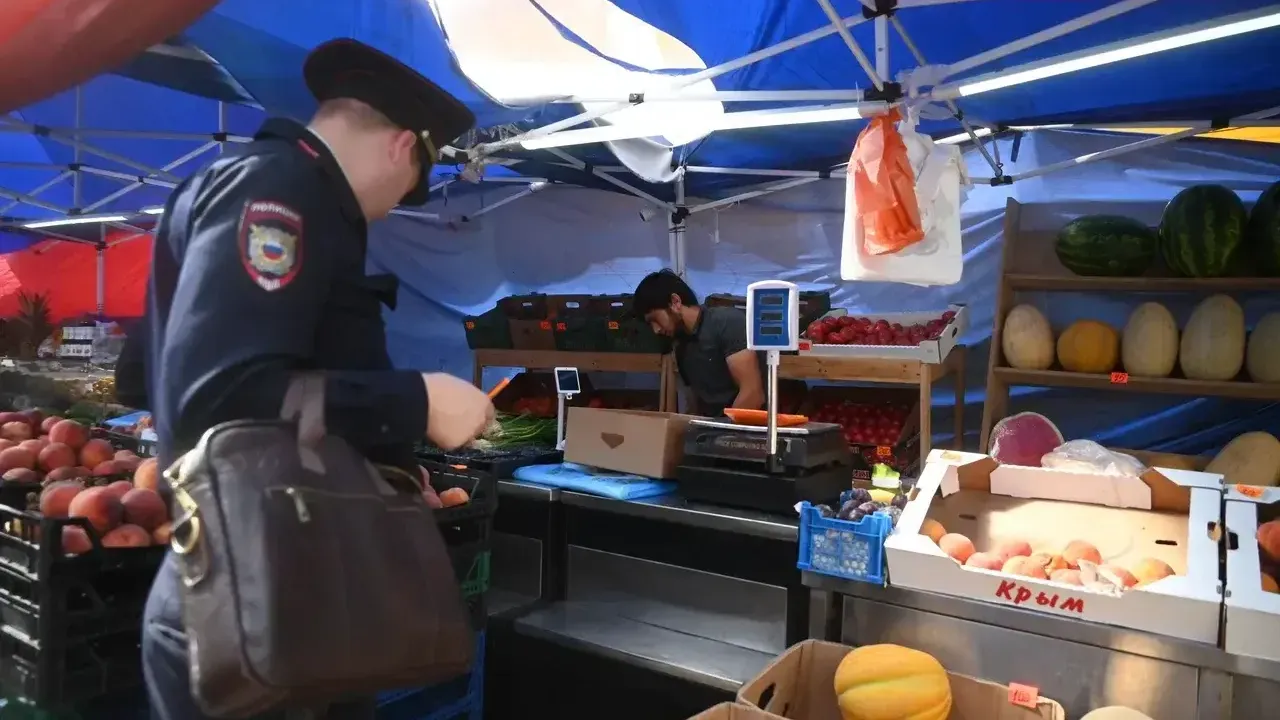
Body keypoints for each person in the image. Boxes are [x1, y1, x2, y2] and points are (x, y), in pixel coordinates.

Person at [139, 38, 494, 719]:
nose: (393, 208)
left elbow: (147, 376)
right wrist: (413, 402)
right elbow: (220, 399)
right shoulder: (279, 192)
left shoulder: (256, 186)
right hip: (252, 608)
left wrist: (375, 460)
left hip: (281, 594)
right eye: (411, 185)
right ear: (402, 148)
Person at [631, 269, 765, 418]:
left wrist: (721, 433)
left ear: (675, 302)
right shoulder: (681, 345)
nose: (655, 330)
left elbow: (753, 395)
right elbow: (694, 403)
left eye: (655, 320)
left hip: (746, 428)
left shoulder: (726, 323)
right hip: (710, 428)